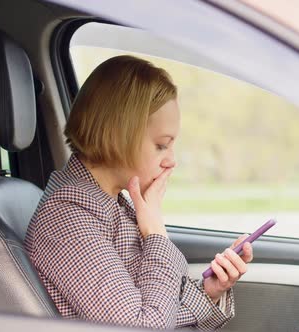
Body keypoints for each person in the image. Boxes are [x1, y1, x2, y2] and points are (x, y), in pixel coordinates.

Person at [24, 55, 253, 330]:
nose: (171, 160)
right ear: (117, 133)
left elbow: (155, 307)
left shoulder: (112, 201)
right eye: (161, 145)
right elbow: (144, 326)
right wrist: (155, 234)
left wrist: (209, 292)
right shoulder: (67, 217)